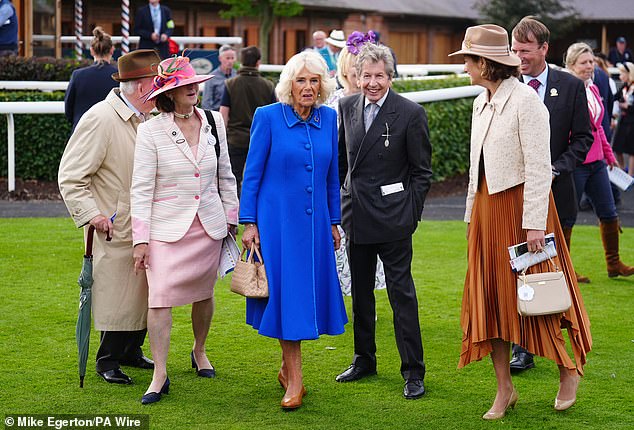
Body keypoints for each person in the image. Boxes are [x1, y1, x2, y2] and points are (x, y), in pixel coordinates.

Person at [450, 24, 592, 420]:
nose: (464, 67)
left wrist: (534, 224)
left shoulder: (527, 102)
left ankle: (568, 369)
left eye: (468, 60)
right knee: (491, 300)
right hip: (485, 212)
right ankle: (504, 389)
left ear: (486, 63)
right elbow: (475, 170)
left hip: (521, 213)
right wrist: (469, 217)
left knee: (538, 298)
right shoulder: (481, 101)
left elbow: (537, 167)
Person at [239, 50, 347, 410]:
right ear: (289, 84)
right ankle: (296, 382)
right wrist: (249, 223)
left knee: (303, 297)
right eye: (301, 80)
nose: (308, 87)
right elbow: (251, 174)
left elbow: (333, 177)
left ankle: (287, 370)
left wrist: (334, 221)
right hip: (277, 225)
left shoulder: (329, 118)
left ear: (322, 85)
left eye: (314, 80)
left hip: (315, 226)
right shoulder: (268, 117)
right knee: (288, 299)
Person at [131, 55, 239, 404]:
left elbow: (225, 175)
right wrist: (140, 240)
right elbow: (141, 188)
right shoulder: (150, 131)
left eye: (194, 83)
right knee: (159, 300)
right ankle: (160, 374)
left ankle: (199, 350)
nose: (193, 89)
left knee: (203, 294)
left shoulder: (213, 122)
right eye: (184, 85)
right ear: (169, 93)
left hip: (208, 226)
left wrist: (232, 218)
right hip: (165, 230)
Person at [335, 43, 432, 401]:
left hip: (394, 220)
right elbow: (342, 163)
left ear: (390, 77)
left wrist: (410, 214)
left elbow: (422, 173)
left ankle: (413, 371)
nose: (372, 83)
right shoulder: (345, 107)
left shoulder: (410, 113)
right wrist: (342, 201)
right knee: (360, 294)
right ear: (356, 76)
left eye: (379, 76)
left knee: (401, 295)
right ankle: (364, 359)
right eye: (366, 76)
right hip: (356, 216)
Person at [58, 49, 161, 385]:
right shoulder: (101, 118)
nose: (160, 89)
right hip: (114, 226)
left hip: (145, 222)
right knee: (118, 294)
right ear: (142, 87)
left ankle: (131, 350)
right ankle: (107, 359)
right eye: (156, 83)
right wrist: (92, 215)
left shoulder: (149, 117)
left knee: (145, 294)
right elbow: (72, 176)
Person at [509, 16, 593, 372]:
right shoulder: (507, 82)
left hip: (558, 195)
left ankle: (556, 338)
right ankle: (523, 346)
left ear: (545, 49)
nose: (519, 57)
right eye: (515, 50)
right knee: (520, 268)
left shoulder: (570, 86)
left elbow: (584, 139)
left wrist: (557, 168)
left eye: (525, 51)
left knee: (553, 271)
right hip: (516, 196)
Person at [564, 42, 634, 278]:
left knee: (609, 212)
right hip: (576, 164)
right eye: (584, 62)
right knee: (568, 218)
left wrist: (608, 153)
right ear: (571, 66)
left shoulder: (593, 88)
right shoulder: (567, 90)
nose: (590, 66)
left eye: (592, 61)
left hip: (597, 164)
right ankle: (564, 270)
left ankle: (614, 264)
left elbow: (598, 127)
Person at [324, 32, 386, 296]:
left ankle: (365, 297)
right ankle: (339, 297)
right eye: (352, 73)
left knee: (370, 245)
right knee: (339, 243)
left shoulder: (378, 103)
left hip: (371, 188)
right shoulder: (333, 103)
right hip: (338, 184)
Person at [219, 46, 275, 194]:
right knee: (260, 177)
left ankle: (236, 211)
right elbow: (273, 115)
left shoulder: (231, 84)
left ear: (241, 62)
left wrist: (223, 137)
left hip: (235, 138)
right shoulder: (268, 85)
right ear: (258, 62)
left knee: (234, 178)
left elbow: (223, 113)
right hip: (260, 139)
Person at [64, 26, 118, 131]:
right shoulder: (119, 76)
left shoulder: (78, 75)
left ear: (92, 51)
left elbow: (68, 109)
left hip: (82, 130)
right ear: (112, 50)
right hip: (111, 131)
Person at [612, 62, 634, 175]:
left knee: (631, 150)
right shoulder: (624, 87)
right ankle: (622, 170)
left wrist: (627, 106)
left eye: (622, 74)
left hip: (632, 121)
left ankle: (630, 175)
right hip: (623, 120)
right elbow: (614, 97)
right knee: (617, 147)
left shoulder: (633, 87)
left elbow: (629, 105)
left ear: (629, 74)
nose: (620, 77)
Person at [201, 45, 236, 111]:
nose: (230, 61)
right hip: (217, 114)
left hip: (235, 116)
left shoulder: (236, 75)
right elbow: (206, 103)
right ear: (220, 58)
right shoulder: (212, 77)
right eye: (227, 58)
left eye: (232, 58)